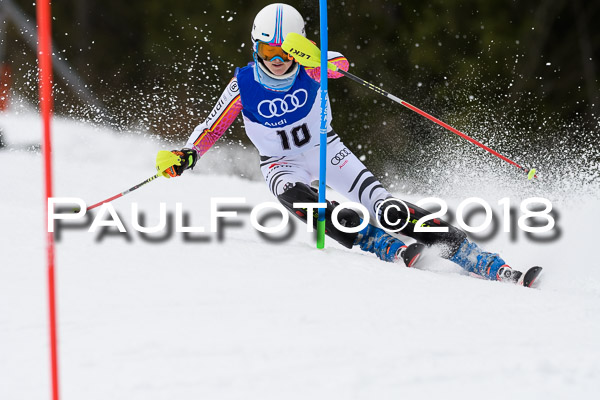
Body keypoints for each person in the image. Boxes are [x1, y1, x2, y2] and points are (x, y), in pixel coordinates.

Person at [156, 3, 525, 284]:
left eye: (286, 53)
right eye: (269, 53)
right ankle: (376, 241)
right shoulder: (243, 85)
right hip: (279, 163)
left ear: (298, 48)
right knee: (299, 198)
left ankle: (470, 253)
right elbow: (211, 127)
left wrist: (315, 58)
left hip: (325, 149)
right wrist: (186, 156)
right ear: (255, 49)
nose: (279, 62)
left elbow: (340, 65)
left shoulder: (311, 66)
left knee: (388, 207)